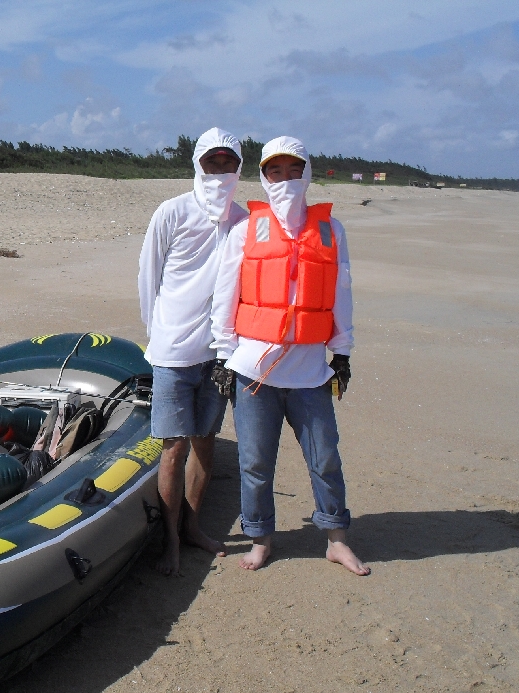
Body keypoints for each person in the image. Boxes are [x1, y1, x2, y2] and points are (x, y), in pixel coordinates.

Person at [210, 136, 370, 575]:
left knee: (325, 458)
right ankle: (260, 538)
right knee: (255, 463)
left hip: (311, 373)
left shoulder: (331, 230)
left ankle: (336, 539)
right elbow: (226, 295)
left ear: (307, 173)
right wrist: (224, 356)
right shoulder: (246, 230)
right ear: (263, 177)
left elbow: (341, 294)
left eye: (293, 170)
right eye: (275, 171)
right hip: (253, 373)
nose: (285, 179)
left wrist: (341, 354)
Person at [139, 127, 248, 576]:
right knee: (173, 448)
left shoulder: (243, 220)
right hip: (172, 354)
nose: (220, 171)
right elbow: (149, 277)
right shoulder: (172, 211)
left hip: (218, 355)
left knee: (205, 443)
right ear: (198, 163)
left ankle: (192, 528)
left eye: (228, 162)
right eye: (212, 161)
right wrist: (160, 335)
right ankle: (170, 541)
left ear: (239, 167)